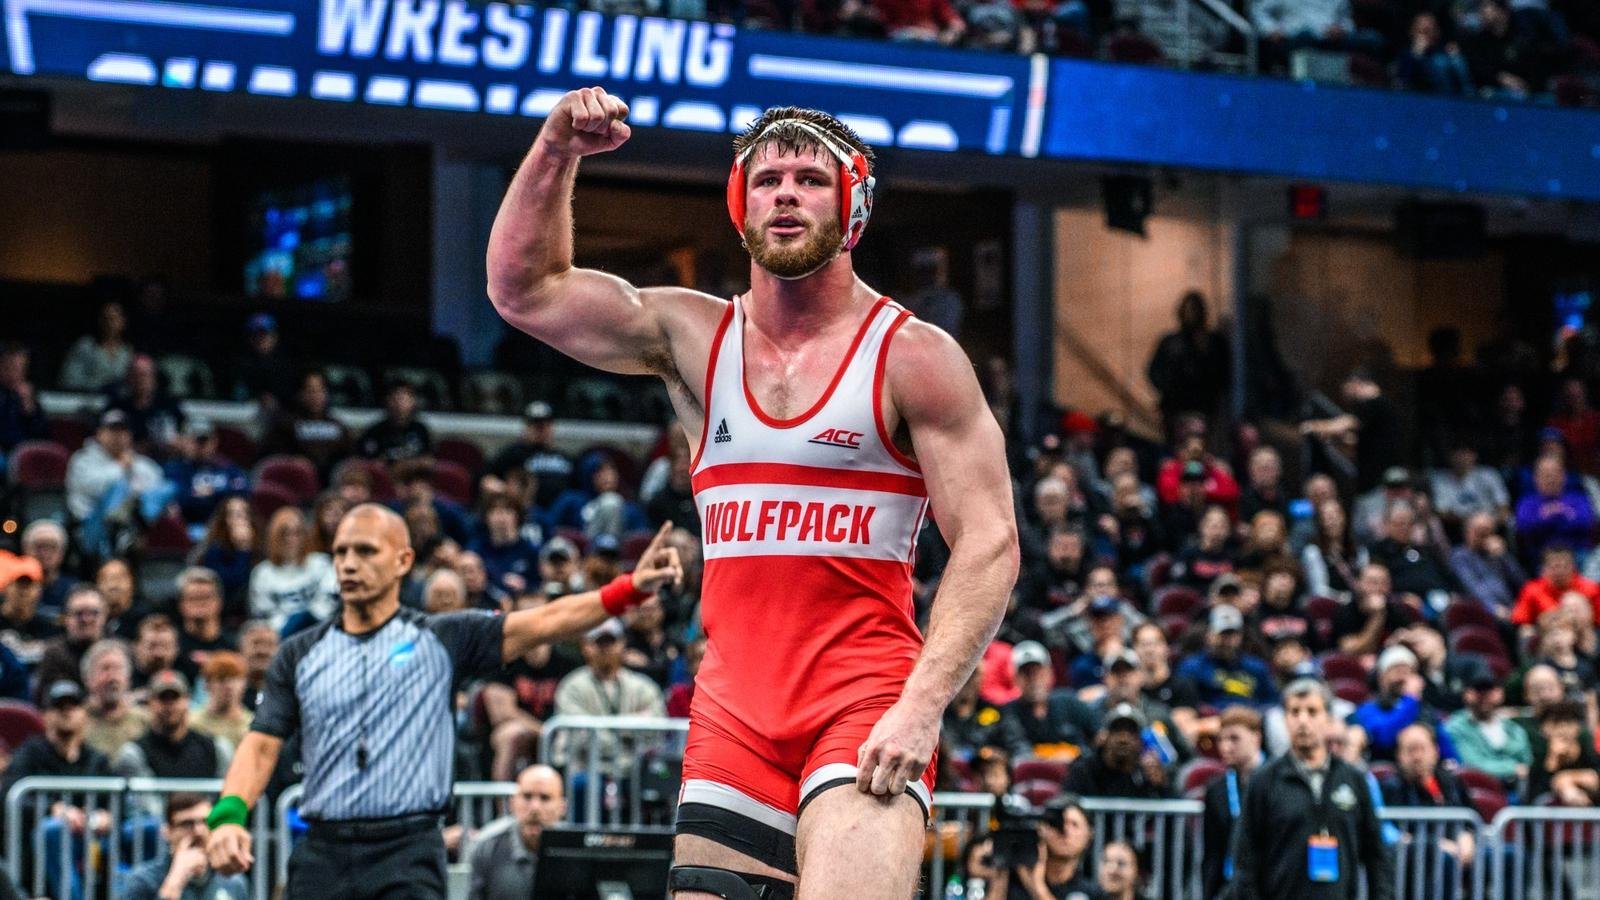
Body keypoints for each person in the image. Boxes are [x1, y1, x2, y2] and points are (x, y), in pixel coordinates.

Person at [488, 90, 1019, 897]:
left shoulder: (913, 356)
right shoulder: (691, 336)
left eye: (810, 179)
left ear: (853, 205)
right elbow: (523, 292)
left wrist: (922, 705)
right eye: (768, 180)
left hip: (863, 702)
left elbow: (990, 541)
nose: (786, 195)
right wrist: (556, 150)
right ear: (741, 205)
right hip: (733, 716)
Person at [204, 505, 684, 897]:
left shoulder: (442, 638)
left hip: (407, 851)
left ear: (403, 561)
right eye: (341, 552)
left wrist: (629, 589)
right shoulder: (299, 653)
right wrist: (228, 816)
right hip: (322, 851)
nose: (349, 563)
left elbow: (544, 621)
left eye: (366, 551)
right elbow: (261, 743)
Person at [1232, 678, 1394, 900]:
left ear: (1328, 719)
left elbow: (1376, 856)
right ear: (1285, 720)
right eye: (1294, 712)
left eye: (1312, 712)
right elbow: (1245, 859)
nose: (1302, 721)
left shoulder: (1353, 779)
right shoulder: (1264, 781)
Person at [1379, 725, 1473, 900]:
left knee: (1508, 856)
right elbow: (1395, 833)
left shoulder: (1451, 781)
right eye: (1410, 750)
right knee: (1440, 858)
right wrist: (1438, 844)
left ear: (1436, 751)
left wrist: (1467, 836)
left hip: (1457, 848)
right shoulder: (1391, 787)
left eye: (1422, 749)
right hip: (1415, 854)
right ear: (1399, 755)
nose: (1417, 757)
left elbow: (1472, 818)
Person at [65, 408, 172, 558]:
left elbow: (157, 490)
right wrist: (121, 467)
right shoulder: (83, 460)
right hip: (90, 527)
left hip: (134, 526)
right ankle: (118, 528)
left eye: (122, 431)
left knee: (168, 487)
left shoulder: (143, 464)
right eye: (112, 430)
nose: (117, 436)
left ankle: (138, 526)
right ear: (99, 433)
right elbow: (92, 488)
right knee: (119, 487)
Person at [463, 764, 568, 900]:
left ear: (562, 807)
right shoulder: (487, 845)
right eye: (527, 796)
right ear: (512, 802)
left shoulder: (576, 848)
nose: (535, 808)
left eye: (545, 798)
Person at [122, 794, 250, 900]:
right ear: (167, 832)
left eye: (205, 822)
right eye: (187, 824)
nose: (198, 831)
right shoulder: (144, 881)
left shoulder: (233, 882)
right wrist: (175, 881)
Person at [114, 669, 233, 779]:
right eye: (163, 698)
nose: (169, 705)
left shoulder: (215, 749)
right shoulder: (136, 752)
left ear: (187, 701)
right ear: (150, 703)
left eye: (175, 697)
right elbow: (144, 795)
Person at [1146, 291, 1230, 440]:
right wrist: (1169, 389)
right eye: (1189, 310)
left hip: (1205, 407)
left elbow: (1224, 373)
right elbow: (1154, 371)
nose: (1191, 315)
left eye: (1195, 310)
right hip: (1175, 408)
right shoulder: (1170, 342)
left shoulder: (1213, 342)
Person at [1202, 706, 1264, 900]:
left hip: (1269, 883)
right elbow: (1213, 854)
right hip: (1231, 885)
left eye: (1234, 738)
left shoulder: (1278, 781)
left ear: (1256, 738)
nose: (1225, 747)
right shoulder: (1216, 790)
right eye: (1220, 739)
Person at [999, 641, 1100, 759]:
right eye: (1027, 674)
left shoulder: (1068, 701)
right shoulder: (1011, 712)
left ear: (1050, 673)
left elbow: (1099, 733)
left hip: (1079, 767)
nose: (1034, 680)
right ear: (1016, 679)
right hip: (1034, 770)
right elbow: (1019, 751)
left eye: (1038, 672)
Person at [987, 794, 1099, 900]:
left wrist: (1037, 887)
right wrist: (998, 886)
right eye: (1057, 824)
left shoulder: (1093, 893)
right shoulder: (1010, 881)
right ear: (1041, 829)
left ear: (1089, 835)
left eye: (1074, 825)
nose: (1065, 830)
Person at [1444, 660, 1531, 790]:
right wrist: (1512, 768)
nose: (1484, 696)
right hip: (1475, 790)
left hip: (1516, 790)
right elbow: (1471, 764)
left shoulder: (1514, 729)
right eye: (1478, 690)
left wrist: (1518, 769)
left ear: (1499, 693)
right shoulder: (1455, 727)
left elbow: (1527, 763)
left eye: (1489, 689)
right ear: (1467, 693)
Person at [249, 507, 337, 634]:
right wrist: (288, 625)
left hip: (320, 630)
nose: (291, 539)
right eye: (285, 533)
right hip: (280, 635)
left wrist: (304, 619)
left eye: (297, 533)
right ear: (274, 537)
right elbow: (264, 614)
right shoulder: (262, 573)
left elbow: (327, 603)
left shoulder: (321, 564)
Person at [1061, 702, 1174, 799]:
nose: (1124, 739)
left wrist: (1161, 787)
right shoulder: (1084, 769)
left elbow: (1175, 810)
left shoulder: (1146, 772)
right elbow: (1065, 801)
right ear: (1105, 736)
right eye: (1117, 730)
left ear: (1140, 741)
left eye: (1131, 732)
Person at [1177, 605, 1278, 709]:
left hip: (1251, 715)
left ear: (1240, 636)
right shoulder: (1192, 667)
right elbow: (1185, 703)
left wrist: (1254, 713)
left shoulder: (1257, 667)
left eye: (1232, 634)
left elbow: (1272, 701)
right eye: (1222, 634)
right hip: (1210, 717)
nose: (1227, 641)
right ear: (1209, 634)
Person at [260, 370, 352, 478]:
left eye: (320, 390)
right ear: (300, 393)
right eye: (311, 391)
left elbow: (349, 460)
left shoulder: (338, 426)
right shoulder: (285, 425)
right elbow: (271, 459)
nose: (316, 396)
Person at [488, 401, 574, 509]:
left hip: (562, 508)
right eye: (536, 426)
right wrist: (507, 491)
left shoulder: (564, 456)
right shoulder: (513, 453)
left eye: (544, 426)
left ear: (551, 427)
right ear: (527, 427)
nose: (540, 430)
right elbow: (488, 479)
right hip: (529, 508)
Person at [164, 418, 249, 529]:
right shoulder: (175, 469)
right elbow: (180, 499)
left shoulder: (227, 467)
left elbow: (243, 492)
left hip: (225, 525)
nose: (200, 446)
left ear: (214, 441)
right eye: (195, 441)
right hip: (191, 526)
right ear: (184, 441)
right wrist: (215, 496)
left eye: (204, 441)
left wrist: (212, 492)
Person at [33, 586, 108, 703]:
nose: (86, 620)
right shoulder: (54, 654)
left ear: (104, 616)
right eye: (79, 614)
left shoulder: (118, 652)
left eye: (93, 613)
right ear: (66, 618)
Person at [104, 353, 186, 457]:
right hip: (128, 460)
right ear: (128, 378)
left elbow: (184, 437)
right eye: (136, 375)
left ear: (154, 378)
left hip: (167, 460)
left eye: (145, 375)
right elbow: (106, 441)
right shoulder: (116, 406)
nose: (140, 380)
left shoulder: (169, 404)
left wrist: (179, 443)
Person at [1449, 512, 1527, 617]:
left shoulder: (1497, 554)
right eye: (1480, 532)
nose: (1485, 538)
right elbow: (1473, 588)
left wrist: (1504, 556)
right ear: (1468, 532)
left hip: (1511, 606)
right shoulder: (1460, 557)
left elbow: (1521, 581)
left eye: (1489, 532)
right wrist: (1494, 608)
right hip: (1483, 611)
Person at [82, 638, 147, 758]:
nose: (112, 677)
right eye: (105, 669)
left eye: (118, 669)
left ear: (128, 679)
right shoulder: (78, 722)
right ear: (88, 679)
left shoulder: (144, 721)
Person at [58, 300, 132, 391]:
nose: (109, 323)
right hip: (87, 397)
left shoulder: (127, 352)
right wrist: (99, 386)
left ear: (123, 322)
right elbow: (68, 379)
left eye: (114, 319)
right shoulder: (85, 346)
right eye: (105, 319)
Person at [173, 568, 237, 672]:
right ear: (181, 604)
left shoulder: (234, 646)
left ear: (219, 602)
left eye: (206, 597)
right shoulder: (173, 646)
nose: (200, 603)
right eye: (193, 597)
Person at [357, 381, 433, 463]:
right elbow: (366, 462)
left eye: (404, 400)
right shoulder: (374, 433)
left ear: (413, 402)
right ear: (387, 401)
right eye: (395, 399)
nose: (399, 405)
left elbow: (428, 461)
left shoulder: (421, 431)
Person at [191, 651, 254, 747]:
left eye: (234, 679)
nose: (229, 686)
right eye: (221, 679)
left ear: (244, 684)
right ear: (207, 684)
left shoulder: (251, 726)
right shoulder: (192, 724)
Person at [0, 341, 48, 467]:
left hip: (25, 452)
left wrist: (29, 406)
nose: (16, 374)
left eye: (21, 368)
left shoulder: (27, 395)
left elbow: (42, 435)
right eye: (11, 367)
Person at [21, 519, 78, 619]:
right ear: (25, 549)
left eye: (52, 547)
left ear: (62, 552)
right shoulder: (13, 586)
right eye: (39, 546)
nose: (45, 553)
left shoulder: (74, 589)